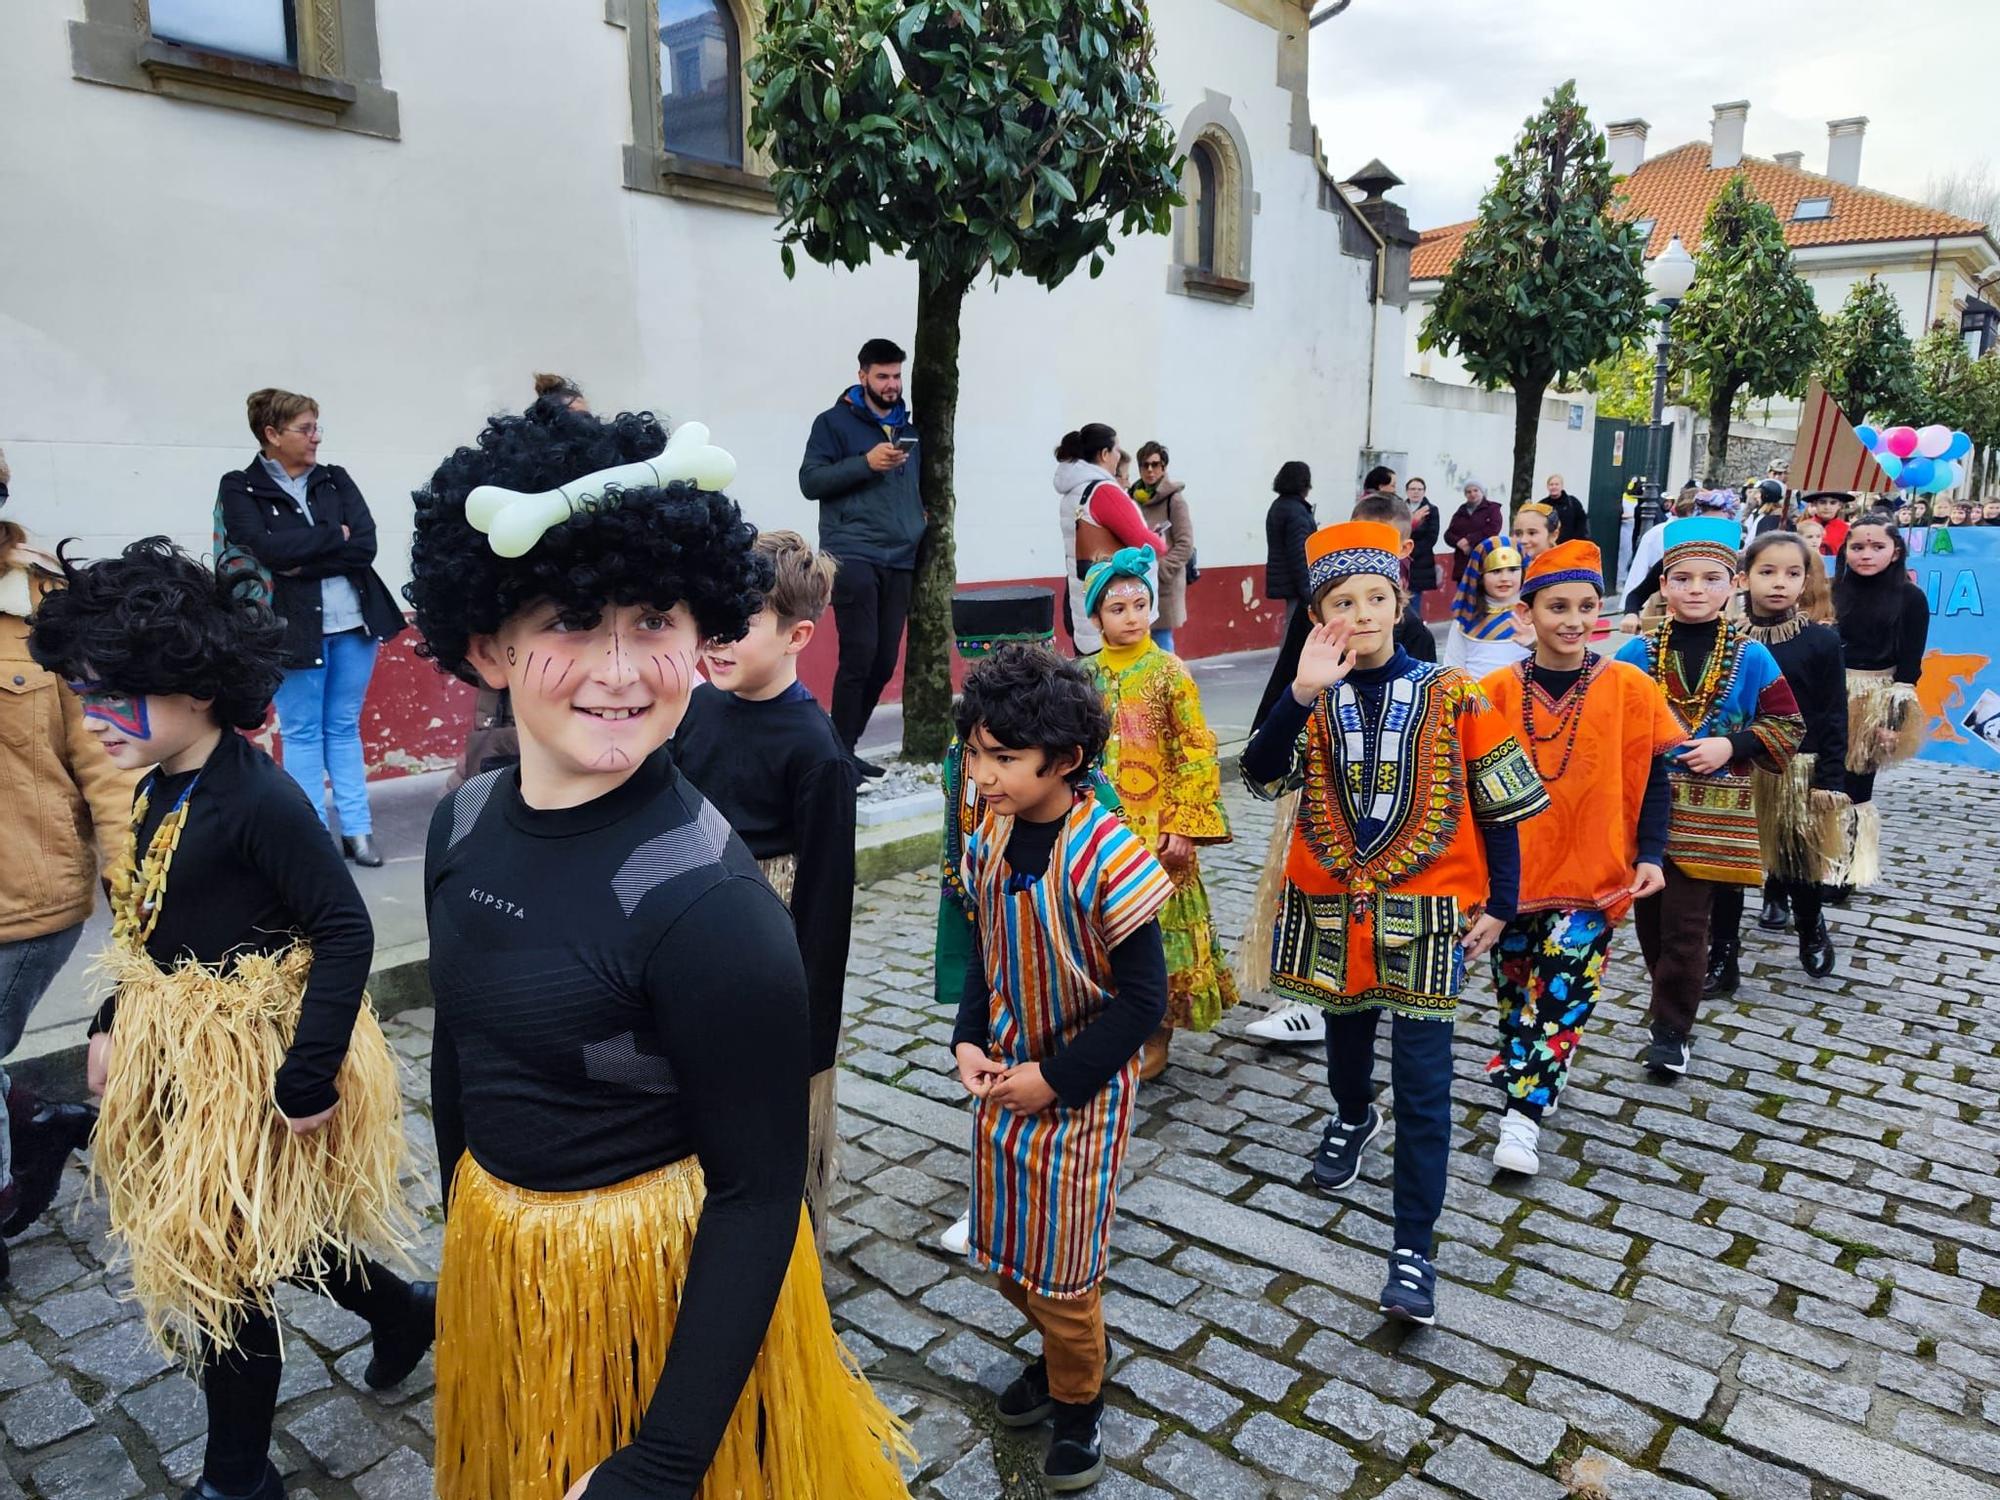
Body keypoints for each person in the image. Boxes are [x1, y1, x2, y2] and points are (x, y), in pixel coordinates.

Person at [408, 404, 911, 1499]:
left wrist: (665, 1462)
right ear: (487, 645)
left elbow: (757, 1192)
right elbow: (464, 1040)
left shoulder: (711, 910)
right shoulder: (460, 825)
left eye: (653, 621)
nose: (621, 669)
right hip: (510, 1273)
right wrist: (470, 1228)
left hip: (657, 1309)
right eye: (575, 624)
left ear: (704, 636)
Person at [29, 538, 428, 1500]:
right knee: (263, 1236)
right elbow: (149, 921)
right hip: (180, 1057)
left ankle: (236, 1479)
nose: (95, 717)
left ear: (194, 687)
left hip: (256, 1064)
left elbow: (344, 930)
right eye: (85, 695)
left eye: (112, 694)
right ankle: (404, 1310)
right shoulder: (162, 782)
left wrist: (308, 1072)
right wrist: (114, 1019)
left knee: (221, 1261)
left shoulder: (261, 800)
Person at [1240, 521, 1548, 1325]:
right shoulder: (1312, 698)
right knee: (1345, 1044)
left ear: (1401, 601)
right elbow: (1258, 773)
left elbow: (1502, 804)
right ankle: (1350, 1114)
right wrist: (1300, 691)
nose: (1364, 613)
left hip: (1431, 914)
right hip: (1330, 903)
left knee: (1424, 1085)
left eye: (1377, 597)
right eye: (1344, 601)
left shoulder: (1456, 695)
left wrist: (1504, 903)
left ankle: (1414, 1246)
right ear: (1319, 616)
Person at [950, 644, 1173, 1493]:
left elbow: (1142, 1001)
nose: (983, 773)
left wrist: (1060, 1077)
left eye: (1004, 759)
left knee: (1067, 1272)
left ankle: (1078, 1398)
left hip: (1078, 1093)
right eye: (977, 753)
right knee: (1006, 1250)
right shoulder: (990, 833)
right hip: (1005, 1078)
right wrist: (969, 1039)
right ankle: (1058, 1350)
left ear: (1066, 760)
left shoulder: (1110, 858)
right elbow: (985, 948)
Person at [673, 530, 858, 1240]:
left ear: (797, 634)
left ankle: (779, 1249)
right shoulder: (695, 711)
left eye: (739, 624)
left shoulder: (815, 750)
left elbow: (825, 906)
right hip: (692, 932)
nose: (715, 641)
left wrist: (812, 1042)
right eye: (711, 618)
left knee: (765, 1123)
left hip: (765, 939)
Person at [1477, 541, 1681, 1174]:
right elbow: (1466, 790)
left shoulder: (1630, 686)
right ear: (1526, 615)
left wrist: (1651, 853)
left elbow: (1653, 775)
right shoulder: (1491, 692)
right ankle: (1523, 1062)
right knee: (1514, 991)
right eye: (1556, 606)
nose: (1572, 619)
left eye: (1586, 606)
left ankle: (1523, 1117)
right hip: (1510, 880)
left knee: (1565, 994)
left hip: (1593, 876)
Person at [1614, 518, 1803, 1077]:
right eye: (1682, 578)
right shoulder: (1633, 653)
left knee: (1688, 926)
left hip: (1714, 812)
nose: (1696, 589)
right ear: (1663, 585)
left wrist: (1731, 743)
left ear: (1733, 583)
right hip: (1642, 811)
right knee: (1650, 923)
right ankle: (1667, 1003)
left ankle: (1672, 1030)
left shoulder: (1752, 658)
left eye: (1710, 578)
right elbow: (1604, 724)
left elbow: (1788, 725)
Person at [0, 508, 134, 1292]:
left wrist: (136, 898)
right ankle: (37, 1123)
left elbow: (107, 758)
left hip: (22, 901)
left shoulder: (40, 599)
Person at [220, 389, 406, 867]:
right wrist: (329, 539)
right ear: (272, 434)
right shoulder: (240, 486)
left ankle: (358, 832)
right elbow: (260, 547)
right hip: (291, 628)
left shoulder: (335, 479)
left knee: (343, 727)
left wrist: (300, 556)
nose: (316, 437)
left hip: (354, 622)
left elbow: (363, 546)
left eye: (317, 426)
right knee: (302, 733)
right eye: (305, 429)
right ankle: (313, 837)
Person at [933, 586, 1060, 1259]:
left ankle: (1047, 1185)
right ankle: (988, 1191)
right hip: (982, 913)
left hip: (1050, 923)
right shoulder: (963, 754)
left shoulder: (1059, 747)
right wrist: (966, 893)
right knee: (986, 1044)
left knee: (1045, 1050)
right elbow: (953, 832)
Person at [1084, 549, 1235, 1080]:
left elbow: (1197, 748)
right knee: (1103, 928)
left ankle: (1157, 1031)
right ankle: (1106, 1025)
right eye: (1117, 608)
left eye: (1140, 605)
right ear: (1095, 617)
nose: (1131, 617)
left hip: (1159, 833)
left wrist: (1183, 825)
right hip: (1100, 829)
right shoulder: (1085, 676)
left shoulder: (1169, 672)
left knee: (1160, 930)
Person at [1707, 532, 1847, 989]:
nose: (1779, 583)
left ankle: (1810, 924)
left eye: (1792, 573)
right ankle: (1723, 955)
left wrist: (1829, 777)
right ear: (1744, 578)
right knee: (1727, 866)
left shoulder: (1820, 643)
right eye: (1768, 572)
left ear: (1806, 580)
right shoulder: (1722, 639)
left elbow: (1831, 714)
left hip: (1795, 768)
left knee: (1796, 859)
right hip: (1734, 767)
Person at [799, 337, 925, 766]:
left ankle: (846, 747)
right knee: (860, 654)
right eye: (882, 376)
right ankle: (839, 754)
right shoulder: (833, 424)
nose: (891, 385)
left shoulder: (909, 428)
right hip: (851, 552)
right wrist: (865, 463)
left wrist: (919, 517)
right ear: (862, 376)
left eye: (895, 376)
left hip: (901, 556)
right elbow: (810, 482)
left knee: (885, 661)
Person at [1833, 515, 1928, 893]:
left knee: (1856, 786)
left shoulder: (1910, 597)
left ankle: (1847, 868)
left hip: (1875, 695)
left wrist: (1893, 720)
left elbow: (1910, 664)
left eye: (1877, 547)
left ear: (1895, 552)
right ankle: (1815, 861)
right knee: (1823, 781)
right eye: (1857, 547)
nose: (1866, 555)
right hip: (1829, 693)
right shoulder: (1832, 590)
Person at [1057, 424, 1167, 655]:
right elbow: (1144, 542)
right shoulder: (1103, 491)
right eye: (1116, 448)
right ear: (1104, 454)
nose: (1119, 454)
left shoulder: (1073, 492)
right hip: (1114, 602)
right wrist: (1158, 540)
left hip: (1087, 595)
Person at [1253, 462, 1318, 732]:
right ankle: (1288, 688)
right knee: (1292, 639)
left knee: (1291, 637)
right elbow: (1299, 554)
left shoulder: (1280, 506)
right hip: (1297, 586)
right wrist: (1310, 593)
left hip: (1287, 583)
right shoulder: (1296, 511)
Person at [1131, 442, 1195, 654]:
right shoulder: (1132, 498)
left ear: (1164, 467)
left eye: (1155, 464)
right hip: (1137, 580)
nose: (1150, 470)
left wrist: (1160, 570)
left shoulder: (1174, 500)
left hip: (1163, 583)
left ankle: (1170, 685)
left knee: (1161, 640)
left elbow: (1185, 544)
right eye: (1144, 465)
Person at [1441, 535, 1530, 680]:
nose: (1504, 578)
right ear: (1480, 575)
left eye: (1512, 570)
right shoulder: (1465, 618)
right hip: (1478, 697)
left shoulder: (1535, 614)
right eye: (1496, 571)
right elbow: (1453, 669)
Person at [1444, 481, 1503, 582]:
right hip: (1463, 563)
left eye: (1475, 490)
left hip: (1484, 559)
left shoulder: (1492, 508)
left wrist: (1469, 540)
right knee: (1462, 596)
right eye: (1468, 492)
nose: (1472, 494)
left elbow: (1493, 530)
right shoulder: (1461, 511)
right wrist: (1459, 542)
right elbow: (1448, 534)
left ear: (1482, 492)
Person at [1406, 476, 1441, 604]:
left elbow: (1432, 537)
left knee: (1415, 597)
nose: (1416, 492)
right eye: (1413, 489)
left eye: (1419, 489)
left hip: (1420, 561)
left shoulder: (1431, 510)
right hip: (1401, 558)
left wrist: (1411, 552)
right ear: (1407, 491)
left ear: (1424, 492)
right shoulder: (1400, 509)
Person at [1542, 474, 1590, 545]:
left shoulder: (1573, 502)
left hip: (1569, 546)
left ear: (1561, 486)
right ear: (1547, 487)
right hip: (1550, 547)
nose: (1554, 487)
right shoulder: (1542, 505)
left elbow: (1582, 523)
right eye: (1551, 484)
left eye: (1556, 484)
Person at [1806, 491, 1851, 557]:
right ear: (1815, 503)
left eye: (1833, 503)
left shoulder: (1847, 530)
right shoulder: (1803, 527)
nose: (1827, 507)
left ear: (1840, 505)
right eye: (1822, 502)